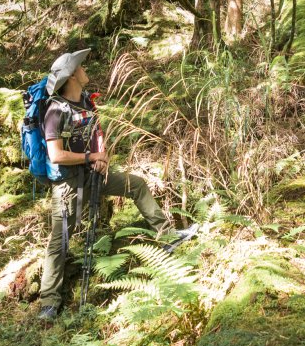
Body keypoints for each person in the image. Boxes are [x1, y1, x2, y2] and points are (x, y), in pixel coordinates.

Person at [37, 48, 196, 320]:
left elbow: (98, 134)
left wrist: (103, 157)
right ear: (72, 76)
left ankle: (167, 237)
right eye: (80, 67)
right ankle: (49, 302)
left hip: (94, 173)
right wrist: (91, 156)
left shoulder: (86, 101)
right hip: (68, 185)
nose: (85, 68)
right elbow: (56, 155)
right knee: (60, 241)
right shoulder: (56, 111)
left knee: (136, 185)